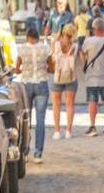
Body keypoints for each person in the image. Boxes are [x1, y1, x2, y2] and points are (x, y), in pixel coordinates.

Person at [14, 24, 54, 163]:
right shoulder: (45, 48)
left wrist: (21, 70)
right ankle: (38, 153)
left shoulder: (21, 49)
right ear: (37, 37)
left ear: (27, 37)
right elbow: (52, 67)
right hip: (41, 84)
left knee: (26, 119)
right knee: (40, 119)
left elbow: (16, 69)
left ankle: (25, 152)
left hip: (26, 86)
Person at [81, 17, 104, 136]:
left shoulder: (89, 41)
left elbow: (84, 54)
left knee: (92, 102)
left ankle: (92, 126)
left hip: (92, 77)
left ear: (94, 29)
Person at [50, 24, 79, 139]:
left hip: (58, 77)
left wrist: (57, 38)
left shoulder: (57, 44)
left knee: (56, 105)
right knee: (70, 105)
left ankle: (57, 131)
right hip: (71, 77)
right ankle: (68, 131)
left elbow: (51, 55)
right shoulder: (75, 46)